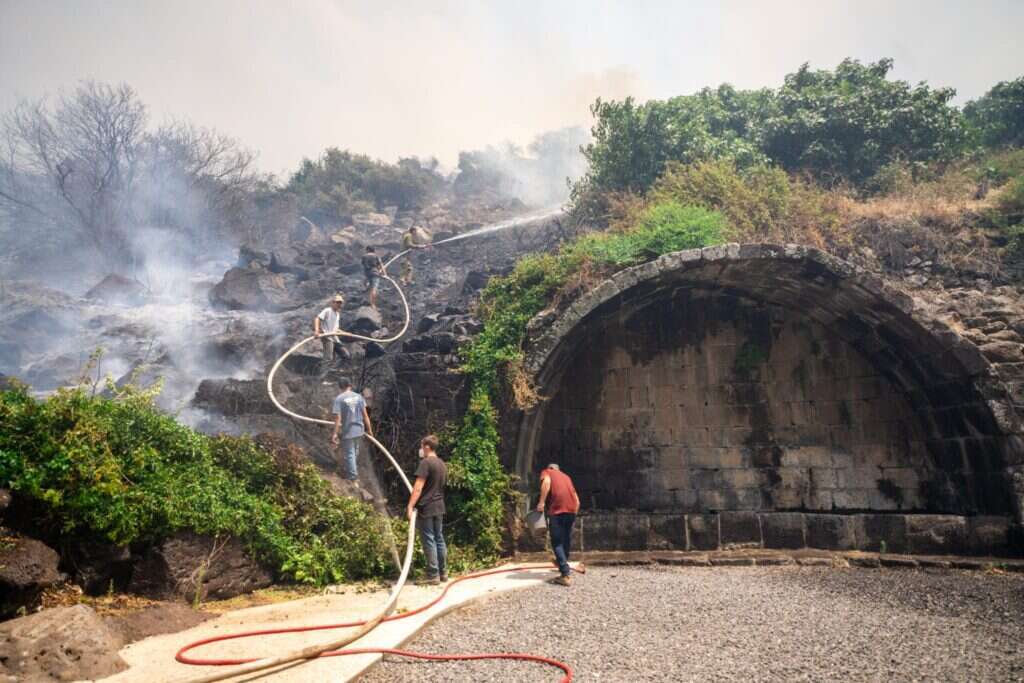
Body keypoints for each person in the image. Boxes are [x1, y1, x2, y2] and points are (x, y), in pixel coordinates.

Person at [407, 434, 448, 585]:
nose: (420, 450)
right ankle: (443, 573)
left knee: (429, 540)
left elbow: (418, 487)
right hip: (439, 506)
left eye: (422, 446)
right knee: (439, 539)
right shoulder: (442, 464)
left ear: (427, 447)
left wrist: (410, 506)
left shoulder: (426, 463)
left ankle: (432, 575)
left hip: (427, 507)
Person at [536, 463, 580, 586]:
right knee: (565, 538)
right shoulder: (566, 477)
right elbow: (577, 500)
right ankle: (562, 561)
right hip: (571, 510)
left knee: (556, 541)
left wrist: (541, 503)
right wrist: (574, 513)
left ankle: (565, 574)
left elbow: (546, 483)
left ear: (551, 468)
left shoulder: (547, 472)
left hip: (557, 510)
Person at [330, 378, 373, 480]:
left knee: (350, 454)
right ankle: (351, 469)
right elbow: (365, 416)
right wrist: (369, 430)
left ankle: (352, 477)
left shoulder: (339, 399)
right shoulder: (359, 397)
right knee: (354, 451)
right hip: (360, 430)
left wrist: (335, 434)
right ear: (350, 385)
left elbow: (338, 418)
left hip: (348, 432)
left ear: (340, 387)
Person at [314, 294, 346, 367]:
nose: (339, 304)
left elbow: (336, 329)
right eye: (337, 302)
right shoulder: (327, 310)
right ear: (333, 303)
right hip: (327, 337)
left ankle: (333, 371)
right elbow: (317, 319)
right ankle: (322, 377)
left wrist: (346, 333)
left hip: (334, 338)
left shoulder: (337, 314)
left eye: (340, 303)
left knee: (345, 355)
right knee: (328, 358)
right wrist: (317, 331)